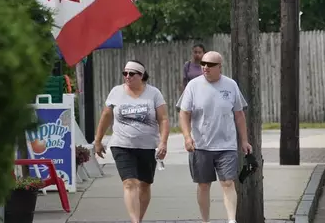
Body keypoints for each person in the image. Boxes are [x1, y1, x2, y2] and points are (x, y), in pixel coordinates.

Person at [176, 51, 251, 223]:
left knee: (228, 183)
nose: (205, 68)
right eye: (203, 64)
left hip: (226, 144)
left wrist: (244, 140)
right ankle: (205, 220)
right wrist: (187, 137)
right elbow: (184, 113)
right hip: (200, 145)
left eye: (210, 65)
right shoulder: (193, 86)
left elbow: (239, 114)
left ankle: (232, 220)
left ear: (219, 67)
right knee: (203, 185)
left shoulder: (230, 85)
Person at [94, 60, 169, 223]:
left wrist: (163, 142)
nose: (127, 76)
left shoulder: (154, 93)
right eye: (125, 73)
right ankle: (135, 221)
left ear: (141, 76)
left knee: (144, 184)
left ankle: (139, 219)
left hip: (148, 146)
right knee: (129, 182)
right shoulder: (116, 92)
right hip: (122, 145)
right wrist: (98, 140)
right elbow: (106, 116)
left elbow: (163, 119)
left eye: (132, 74)